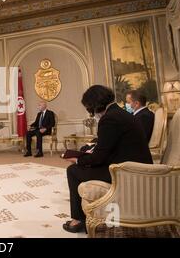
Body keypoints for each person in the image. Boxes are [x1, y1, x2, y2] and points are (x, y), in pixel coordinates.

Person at [63, 85, 153, 233]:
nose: (91, 114)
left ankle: (79, 220)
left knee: (73, 170)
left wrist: (78, 160)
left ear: (94, 105)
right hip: (133, 166)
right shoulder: (120, 113)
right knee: (83, 164)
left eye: (89, 108)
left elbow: (99, 157)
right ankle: (82, 217)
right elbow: (108, 147)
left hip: (127, 172)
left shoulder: (109, 119)